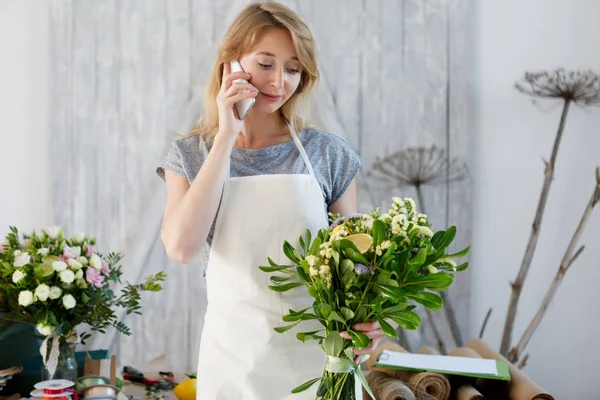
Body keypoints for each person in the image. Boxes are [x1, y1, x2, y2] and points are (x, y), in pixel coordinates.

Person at [157, 2, 385, 398]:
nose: (279, 82)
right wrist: (226, 134)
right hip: (232, 360)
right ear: (230, 64)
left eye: (293, 68)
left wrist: (369, 320)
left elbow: (357, 266)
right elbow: (181, 247)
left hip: (319, 361)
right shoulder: (191, 155)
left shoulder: (327, 154)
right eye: (265, 64)